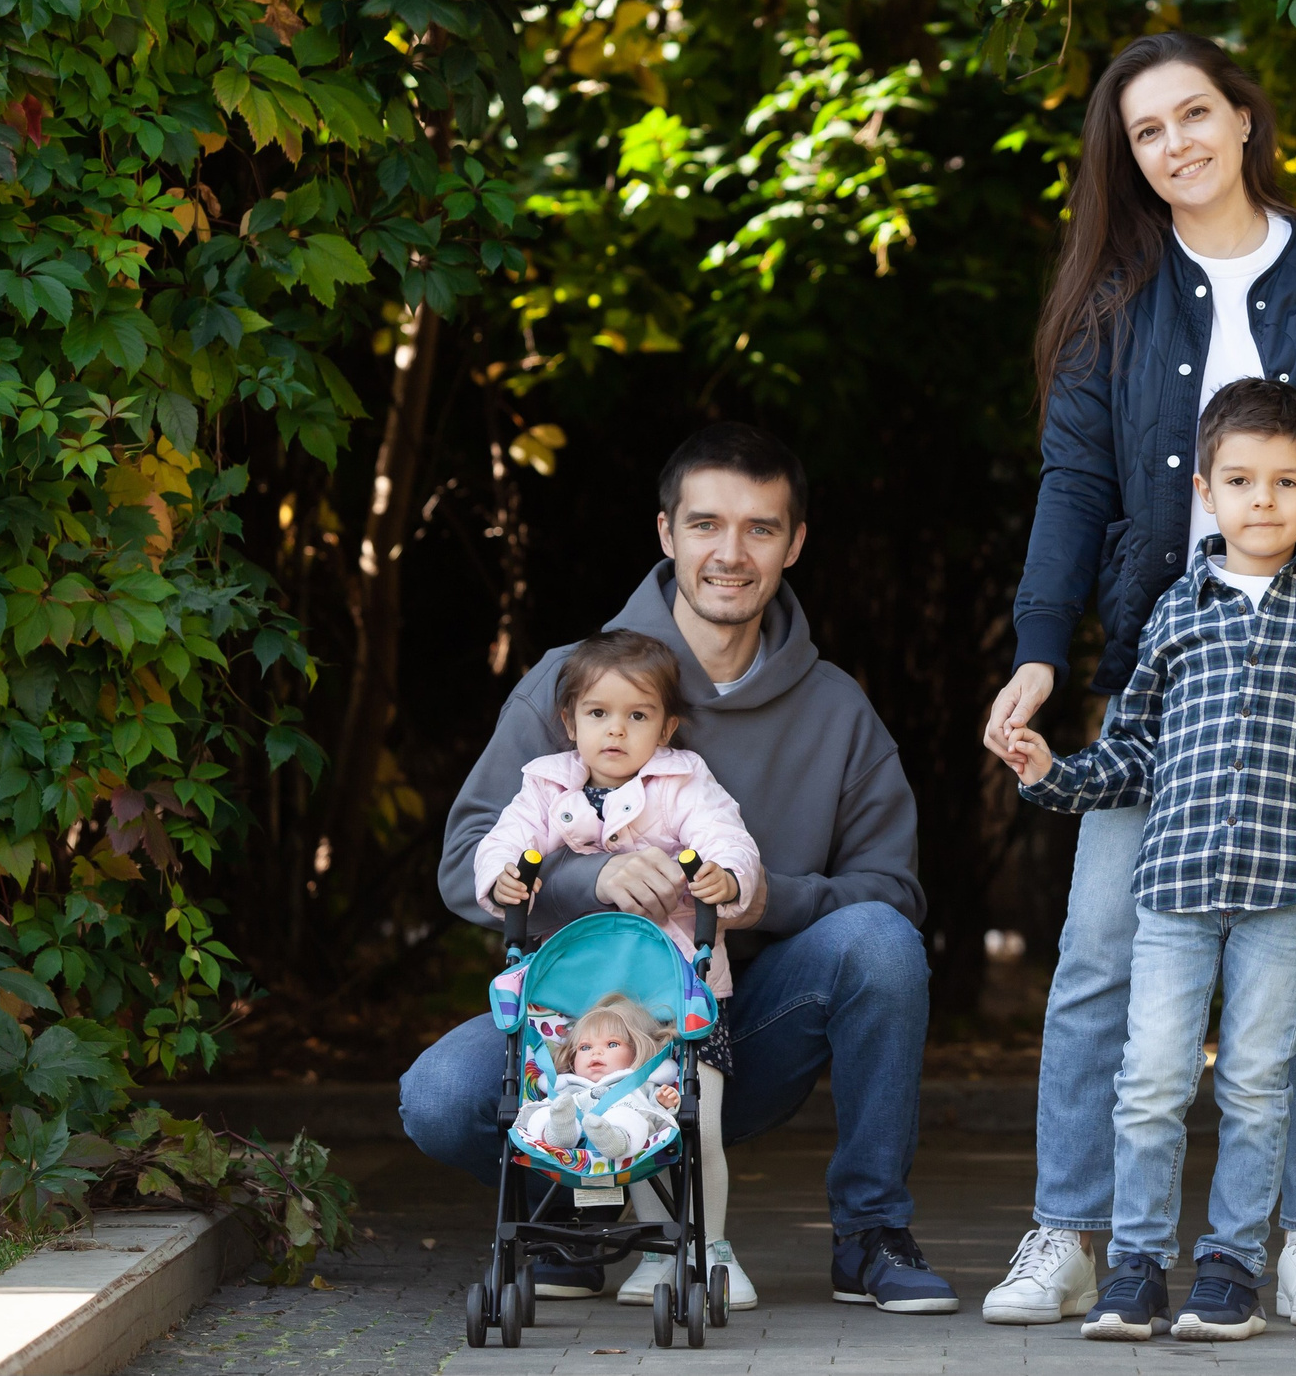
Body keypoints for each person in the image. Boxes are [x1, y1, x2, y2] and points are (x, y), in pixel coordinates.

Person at [980, 31, 1296, 1330]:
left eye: (1197, 112)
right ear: (1129, 157)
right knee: (1096, 956)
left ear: (1245, 117)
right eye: (1148, 130)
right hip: (1164, 668)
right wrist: (1037, 643)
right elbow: (1074, 484)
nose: (1178, 141)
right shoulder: (1116, 299)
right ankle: (1070, 1230)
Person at [401, 423, 959, 1316]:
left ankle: (870, 1235)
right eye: (705, 525)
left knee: (881, 944)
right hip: (577, 1028)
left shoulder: (837, 709)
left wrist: (767, 895)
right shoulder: (575, 682)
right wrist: (591, 883)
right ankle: (577, 1212)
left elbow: (893, 893)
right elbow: (469, 857)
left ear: (796, 543)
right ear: (666, 533)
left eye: (760, 529)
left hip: (732, 1018)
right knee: (438, 1094)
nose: (729, 554)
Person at [997, 379, 1296, 1342]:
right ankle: (1135, 1264)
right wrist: (1051, 772)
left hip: (1289, 892)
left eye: (1284, 481)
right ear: (1206, 495)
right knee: (1152, 1077)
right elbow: (1133, 751)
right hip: (1174, 890)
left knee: (1257, 1079)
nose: (1261, 499)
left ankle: (1230, 1267)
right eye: (1240, 480)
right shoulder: (1172, 617)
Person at [475, 630, 759, 1266]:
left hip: (677, 989)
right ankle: (630, 1250)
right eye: (598, 713)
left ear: (666, 727)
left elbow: (726, 835)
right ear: (569, 721)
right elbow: (504, 838)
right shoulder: (547, 789)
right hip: (581, 1002)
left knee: (690, 1121)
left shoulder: (683, 782)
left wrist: (727, 875)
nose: (616, 730)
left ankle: (705, 1249)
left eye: (638, 716)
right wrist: (502, 875)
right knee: (598, 1110)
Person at [516, 997, 685, 1163]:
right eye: (585, 1047)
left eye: (612, 1044)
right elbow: (550, 1105)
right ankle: (560, 1133)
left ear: (637, 1048)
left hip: (625, 1131)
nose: (595, 1053)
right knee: (546, 1112)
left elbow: (656, 1114)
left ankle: (613, 1139)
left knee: (630, 1118)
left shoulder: (640, 1081)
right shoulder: (566, 1084)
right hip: (571, 1131)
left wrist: (664, 1102)